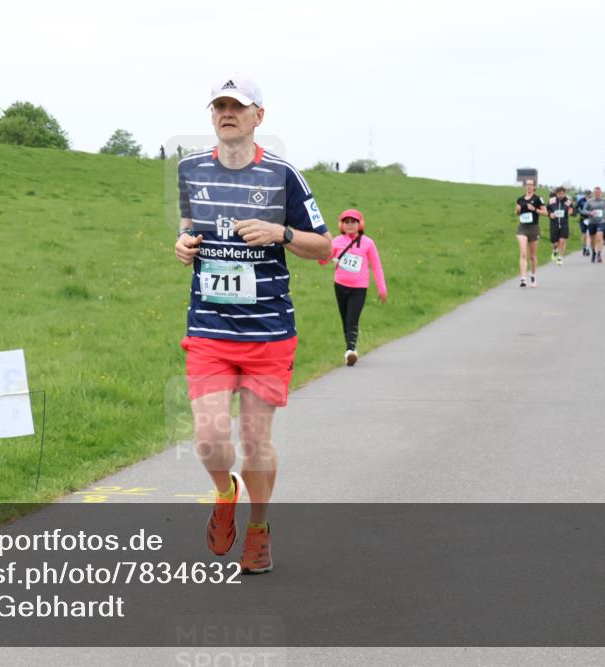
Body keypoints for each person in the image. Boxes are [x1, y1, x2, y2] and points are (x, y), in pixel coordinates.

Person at [174, 75, 331, 574]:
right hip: (209, 330)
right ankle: (226, 493)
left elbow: (325, 247)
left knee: (256, 441)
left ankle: (259, 529)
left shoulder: (283, 175)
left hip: (267, 333)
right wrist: (182, 246)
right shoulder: (189, 170)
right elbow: (187, 229)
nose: (227, 113)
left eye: (237, 107)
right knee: (209, 438)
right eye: (219, 106)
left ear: (258, 116)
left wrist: (281, 233)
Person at [318, 209, 387, 365]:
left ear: (360, 224)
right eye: (346, 222)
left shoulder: (368, 243)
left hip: (359, 288)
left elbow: (376, 266)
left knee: (352, 319)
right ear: (341, 225)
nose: (350, 225)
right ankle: (350, 350)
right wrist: (322, 253)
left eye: (353, 222)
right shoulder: (336, 241)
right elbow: (324, 260)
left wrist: (382, 288)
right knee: (345, 319)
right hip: (340, 286)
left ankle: (351, 350)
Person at [515, 178, 547, 287]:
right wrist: (517, 210)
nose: (529, 187)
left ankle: (533, 275)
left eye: (531, 185)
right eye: (527, 185)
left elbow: (545, 212)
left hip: (533, 228)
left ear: (534, 187)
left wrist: (534, 209)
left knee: (533, 256)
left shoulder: (538, 199)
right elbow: (516, 212)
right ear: (525, 186)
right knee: (523, 253)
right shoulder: (520, 199)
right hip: (522, 228)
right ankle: (523, 279)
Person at [582, 187, 605, 263]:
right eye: (596, 192)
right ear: (594, 193)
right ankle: (593, 252)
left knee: (599, 236)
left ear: (601, 193)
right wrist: (590, 213)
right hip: (592, 222)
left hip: (601, 221)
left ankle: (599, 254)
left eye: (599, 192)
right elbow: (583, 210)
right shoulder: (589, 201)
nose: (597, 194)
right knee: (592, 240)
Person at [547, 186, 573, 265]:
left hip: (564, 224)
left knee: (562, 241)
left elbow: (573, 210)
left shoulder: (568, 202)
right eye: (559, 194)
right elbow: (546, 209)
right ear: (556, 194)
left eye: (562, 194)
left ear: (565, 193)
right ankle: (555, 251)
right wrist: (550, 214)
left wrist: (571, 211)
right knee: (555, 243)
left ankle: (560, 258)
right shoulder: (551, 201)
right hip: (554, 224)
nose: (561, 195)